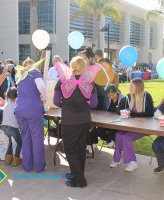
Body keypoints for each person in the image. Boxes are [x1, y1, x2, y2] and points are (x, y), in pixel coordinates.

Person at [53, 56, 98, 188]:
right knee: (80, 149)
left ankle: (80, 180)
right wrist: (83, 104)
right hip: (84, 120)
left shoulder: (62, 81)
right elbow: (94, 103)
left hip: (70, 120)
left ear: (71, 66)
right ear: (84, 67)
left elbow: (56, 101)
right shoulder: (89, 83)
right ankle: (77, 176)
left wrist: (67, 105)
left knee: (70, 150)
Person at [110, 78, 154, 172]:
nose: (129, 88)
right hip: (129, 126)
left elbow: (150, 113)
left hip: (143, 127)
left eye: (131, 86)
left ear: (138, 88)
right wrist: (122, 111)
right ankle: (117, 159)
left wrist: (133, 114)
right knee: (118, 135)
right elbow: (118, 109)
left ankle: (133, 162)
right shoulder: (128, 97)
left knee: (126, 137)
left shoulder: (147, 96)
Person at [15, 57, 47, 173]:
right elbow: (42, 87)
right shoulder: (35, 73)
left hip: (19, 109)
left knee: (26, 137)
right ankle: (39, 167)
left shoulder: (20, 75)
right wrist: (45, 98)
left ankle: (27, 166)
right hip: (33, 109)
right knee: (37, 138)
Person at [2, 87, 22, 166]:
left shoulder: (6, 106)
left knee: (10, 142)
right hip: (12, 127)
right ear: (17, 96)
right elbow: (18, 118)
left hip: (4, 127)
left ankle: (8, 159)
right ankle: (16, 159)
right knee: (19, 142)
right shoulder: (16, 106)